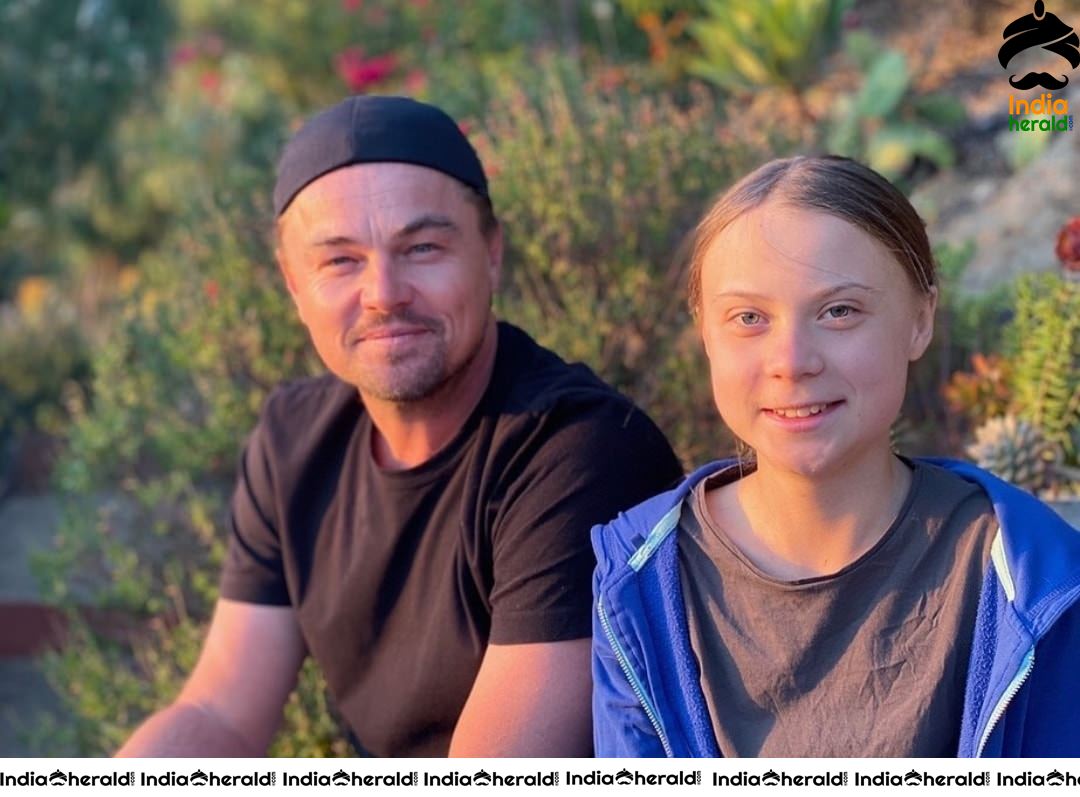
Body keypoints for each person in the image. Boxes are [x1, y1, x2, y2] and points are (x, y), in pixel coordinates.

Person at [117, 95, 682, 758]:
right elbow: (219, 712)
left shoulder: (581, 450)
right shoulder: (292, 440)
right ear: (293, 284)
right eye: (340, 261)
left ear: (491, 253)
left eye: (421, 247)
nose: (384, 292)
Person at [591, 155, 1080, 757]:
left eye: (839, 311)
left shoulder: (1035, 578)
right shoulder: (638, 581)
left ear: (920, 320)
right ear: (705, 334)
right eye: (748, 318)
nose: (792, 360)